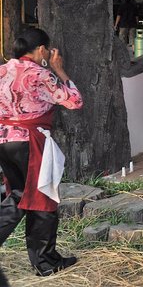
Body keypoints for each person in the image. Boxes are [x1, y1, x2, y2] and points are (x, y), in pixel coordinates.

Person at [0, 28, 83, 276]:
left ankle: (45, 259)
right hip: (30, 141)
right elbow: (74, 101)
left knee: (19, 194)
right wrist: (59, 70)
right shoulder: (40, 74)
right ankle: (45, 261)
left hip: (4, 140)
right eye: (47, 49)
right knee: (39, 197)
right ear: (40, 50)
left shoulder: (2, 71)